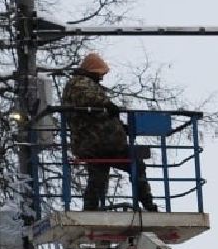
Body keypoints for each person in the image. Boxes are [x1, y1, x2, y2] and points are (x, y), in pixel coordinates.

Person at [61, 52, 157, 213]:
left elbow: (99, 115)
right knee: (133, 165)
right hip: (97, 142)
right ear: (92, 70)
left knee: (99, 175)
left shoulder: (82, 83)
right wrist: (107, 105)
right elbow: (91, 102)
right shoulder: (80, 84)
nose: (102, 77)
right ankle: (148, 205)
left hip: (96, 142)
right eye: (100, 73)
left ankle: (91, 208)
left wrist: (118, 126)